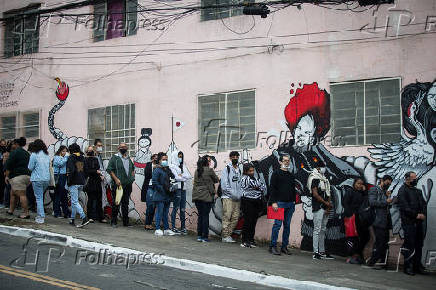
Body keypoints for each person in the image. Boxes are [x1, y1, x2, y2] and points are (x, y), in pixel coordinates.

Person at [398, 172, 428, 276]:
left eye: (416, 178)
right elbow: (404, 206)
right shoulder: (402, 191)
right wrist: (415, 215)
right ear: (407, 179)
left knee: (419, 244)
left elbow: (424, 204)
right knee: (409, 245)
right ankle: (408, 267)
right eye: (413, 178)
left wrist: (423, 214)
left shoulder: (418, 191)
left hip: (419, 222)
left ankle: (417, 266)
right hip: (409, 223)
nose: (415, 180)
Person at [269, 154, 296, 255]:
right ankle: (272, 246)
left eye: (288, 161)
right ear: (280, 162)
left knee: (287, 226)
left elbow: (293, 189)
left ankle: (284, 247)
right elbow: (272, 188)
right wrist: (273, 202)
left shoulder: (291, 175)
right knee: (277, 225)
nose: (286, 162)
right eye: (284, 161)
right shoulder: (276, 173)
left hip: (290, 204)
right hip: (279, 203)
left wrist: (293, 202)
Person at [308, 160, 334, 260]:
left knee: (323, 230)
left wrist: (328, 206)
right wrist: (325, 203)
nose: (324, 169)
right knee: (317, 230)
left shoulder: (324, 179)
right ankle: (315, 252)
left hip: (325, 207)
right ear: (318, 168)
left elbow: (328, 193)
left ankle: (322, 251)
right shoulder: (314, 178)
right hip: (318, 207)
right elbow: (315, 194)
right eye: (322, 167)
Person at [367, 175, 393, 268]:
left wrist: (388, 198)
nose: (388, 185)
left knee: (385, 243)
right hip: (377, 220)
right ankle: (373, 262)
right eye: (387, 183)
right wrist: (387, 201)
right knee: (380, 242)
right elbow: (372, 202)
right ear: (382, 181)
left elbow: (386, 206)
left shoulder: (384, 192)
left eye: (389, 184)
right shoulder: (374, 190)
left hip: (385, 221)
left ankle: (383, 262)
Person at [343, 177, 371, 264]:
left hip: (361, 219)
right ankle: (350, 256)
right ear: (354, 183)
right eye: (358, 183)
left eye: (361, 184)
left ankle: (357, 253)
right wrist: (350, 214)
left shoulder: (363, 193)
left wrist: (365, 191)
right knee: (351, 238)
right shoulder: (350, 191)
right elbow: (345, 203)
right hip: (351, 218)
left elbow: (367, 202)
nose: (359, 185)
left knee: (365, 237)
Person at [106, 142, 135, 227]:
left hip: (128, 185)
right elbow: (109, 170)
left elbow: (132, 169)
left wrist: (132, 178)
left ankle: (126, 222)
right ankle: (113, 221)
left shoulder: (128, 159)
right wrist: (116, 179)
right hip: (118, 185)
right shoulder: (115, 158)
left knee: (125, 203)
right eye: (121, 147)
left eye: (125, 146)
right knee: (116, 203)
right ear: (118, 148)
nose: (123, 148)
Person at [192, 155, 219, 242]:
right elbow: (216, 180)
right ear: (207, 162)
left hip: (197, 196)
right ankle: (205, 237)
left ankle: (199, 236)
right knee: (205, 216)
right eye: (209, 161)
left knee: (200, 216)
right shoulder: (209, 170)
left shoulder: (197, 171)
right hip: (206, 196)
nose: (210, 162)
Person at [240, 163, 266, 248]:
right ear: (246, 171)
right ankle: (245, 240)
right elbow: (256, 185)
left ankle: (251, 240)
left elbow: (263, 187)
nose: (252, 172)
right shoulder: (244, 178)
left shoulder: (254, 178)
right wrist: (258, 186)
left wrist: (258, 186)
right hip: (247, 202)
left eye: (253, 170)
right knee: (248, 221)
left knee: (253, 221)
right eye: (250, 171)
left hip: (256, 202)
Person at [4, 137, 31, 218]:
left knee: (21, 194)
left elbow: (9, 165)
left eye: (13, 144)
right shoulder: (26, 153)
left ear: (16, 144)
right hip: (27, 176)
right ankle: (11, 210)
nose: (12, 145)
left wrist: (7, 176)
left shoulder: (14, 152)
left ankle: (26, 213)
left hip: (18, 176)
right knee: (13, 193)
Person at [152, 152, 176, 236]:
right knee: (159, 212)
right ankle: (157, 228)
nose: (165, 161)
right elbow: (155, 182)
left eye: (166, 159)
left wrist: (173, 184)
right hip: (160, 194)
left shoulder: (167, 169)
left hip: (168, 194)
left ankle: (166, 229)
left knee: (166, 212)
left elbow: (173, 177)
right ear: (159, 160)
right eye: (163, 159)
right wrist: (163, 189)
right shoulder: (157, 170)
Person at [66, 143, 90, 228]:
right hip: (81, 182)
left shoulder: (71, 158)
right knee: (74, 201)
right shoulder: (82, 157)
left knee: (74, 201)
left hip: (74, 182)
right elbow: (85, 171)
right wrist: (83, 179)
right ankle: (72, 219)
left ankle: (84, 218)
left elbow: (72, 171)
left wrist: (69, 182)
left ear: (71, 150)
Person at [220, 151, 242, 243]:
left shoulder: (239, 169)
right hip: (228, 197)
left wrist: (239, 194)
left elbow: (240, 183)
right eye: (233, 157)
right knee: (227, 216)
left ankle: (228, 234)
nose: (235, 158)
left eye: (237, 156)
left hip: (238, 198)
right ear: (230, 158)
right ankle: (225, 236)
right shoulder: (226, 169)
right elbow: (224, 185)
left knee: (235, 217)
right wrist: (233, 193)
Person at [27, 139, 51, 223]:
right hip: (46, 179)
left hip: (37, 179)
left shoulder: (34, 154)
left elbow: (30, 167)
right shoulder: (47, 155)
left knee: (39, 198)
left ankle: (41, 217)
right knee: (41, 197)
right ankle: (40, 215)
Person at [169, 151, 191, 235]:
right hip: (177, 189)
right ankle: (173, 227)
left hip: (183, 189)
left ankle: (183, 227)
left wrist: (182, 176)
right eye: (179, 156)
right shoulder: (172, 166)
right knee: (175, 208)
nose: (180, 158)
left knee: (182, 209)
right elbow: (176, 177)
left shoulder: (183, 166)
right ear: (175, 156)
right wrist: (182, 176)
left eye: (181, 156)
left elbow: (188, 176)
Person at [84, 146, 106, 223]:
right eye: (89, 150)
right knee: (90, 200)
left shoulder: (96, 159)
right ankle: (90, 217)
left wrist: (100, 175)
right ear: (86, 151)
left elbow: (98, 168)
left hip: (97, 181)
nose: (91, 151)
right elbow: (87, 171)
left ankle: (101, 217)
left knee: (99, 201)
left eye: (92, 150)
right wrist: (96, 171)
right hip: (90, 182)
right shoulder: (85, 160)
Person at [52, 145, 70, 218]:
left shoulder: (63, 158)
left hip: (64, 176)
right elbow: (60, 164)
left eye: (65, 151)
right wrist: (66, 157)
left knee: (64, 195)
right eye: (63, 151)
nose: (64, 153)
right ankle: (57, 212)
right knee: (58, 195)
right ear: (60, 151)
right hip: (59, 176)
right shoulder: (56, 157)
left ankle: (66, 212)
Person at [141, 154, 158, 230]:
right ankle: (147, 223)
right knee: (150, 205)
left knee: (154, 206)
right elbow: (147, 175)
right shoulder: (148, 165)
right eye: (154, 158)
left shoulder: (159, 166)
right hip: (149, 187)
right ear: (151, 159)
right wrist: (153, 169)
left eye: (157, 158)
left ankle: (149, 223)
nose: (155, 160)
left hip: (156, 187)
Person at [0, 139, 6, 208]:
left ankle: (2, 201)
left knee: (3, 186)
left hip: (3, 171)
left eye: (4, 144)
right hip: (1, 170)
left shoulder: (5, 151)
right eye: (2, 144)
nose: (3, 146)